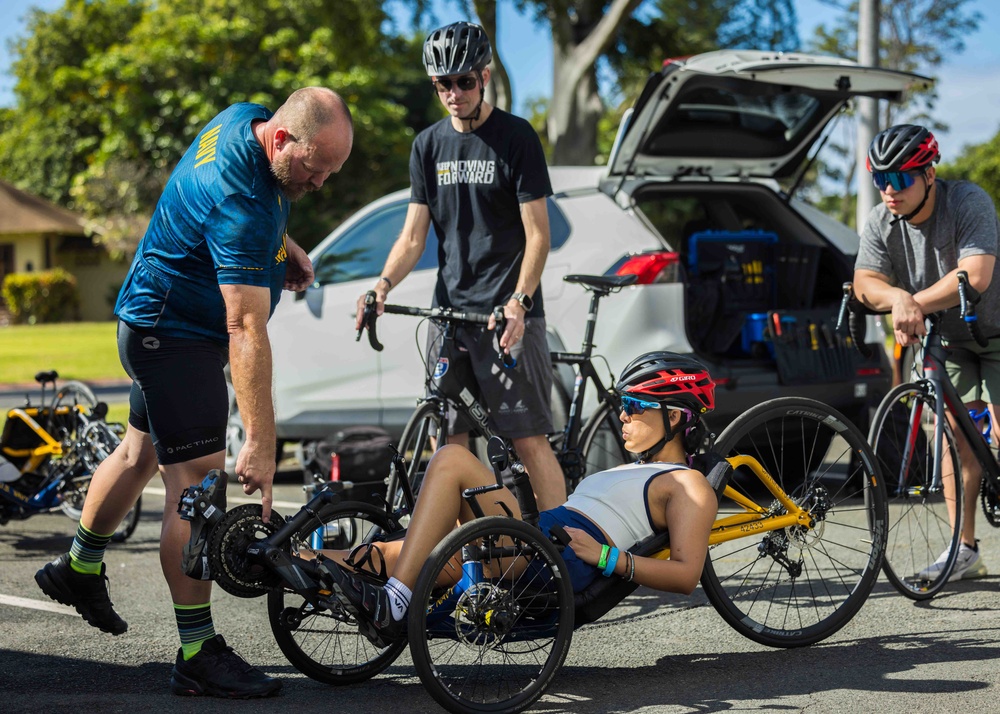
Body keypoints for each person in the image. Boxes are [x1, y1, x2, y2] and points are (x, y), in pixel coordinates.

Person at [35, 87, 354, 697]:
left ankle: (77, 567)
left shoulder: (242, 120)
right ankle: (196, 651)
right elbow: (245, 329)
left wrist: (280, 248)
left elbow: (207, 204)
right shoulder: (246, 200)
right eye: (315, 169)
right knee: (200, 488)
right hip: (175, 334)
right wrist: (261, 440)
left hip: (151, 317)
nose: (319, 184)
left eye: (329, 173)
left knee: (138, 454)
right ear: (282, 140)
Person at [318, 352, 720, 646]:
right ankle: (278, 560)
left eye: (634, 407)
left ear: (673, 416)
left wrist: (605, 557)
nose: (623, 418)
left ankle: (394, 603)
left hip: (551, 557)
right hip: (533, 538)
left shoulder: (687, 484)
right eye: (622, 407)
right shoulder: (628, 468)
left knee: (452, 458)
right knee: (369, 558)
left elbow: (686, 574)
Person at [355, 21, 565, 511]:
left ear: (484, 75)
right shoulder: (427, 146)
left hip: (506, 318)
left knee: (529, 442)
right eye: (442, 84)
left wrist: (519, 300)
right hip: (449, 319)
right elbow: (412, 237)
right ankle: (472, 555)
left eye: (463, 81)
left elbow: (539, 234)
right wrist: (382, 285)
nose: (454, 93)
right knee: (448, 444)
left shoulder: (516, 137)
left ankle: (566, 558)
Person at [854, 123, 1000, 582]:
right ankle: (963, 548)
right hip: (951, 340)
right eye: (880, 180)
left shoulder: (967, 201)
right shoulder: (881, 221)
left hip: (997, 330)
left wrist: (914, 301)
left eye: (900, 179)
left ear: (929, 174)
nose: (888, 191)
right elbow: (865, 283)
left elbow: (974, 275)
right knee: (957, 442)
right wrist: (898, 297)